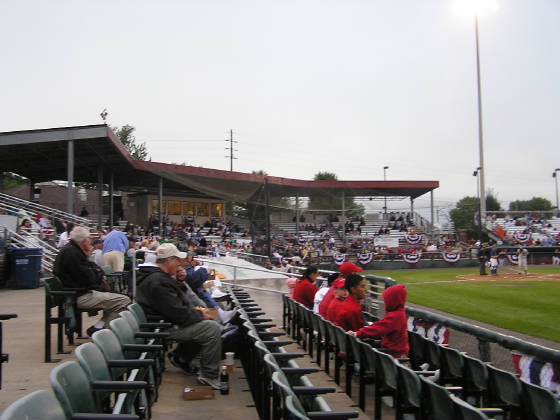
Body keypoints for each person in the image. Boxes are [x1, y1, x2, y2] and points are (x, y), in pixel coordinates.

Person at [136, 243, 223, 390]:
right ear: (169, 260)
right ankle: (209, 375)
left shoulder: (158, 277)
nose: (180, 264)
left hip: (163, 322)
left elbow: (176, 305)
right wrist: (199, 314)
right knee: (212, 329)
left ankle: (183, 357)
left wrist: (180, 283)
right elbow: (178, 314)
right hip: (162, 327)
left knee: (205, 322)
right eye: (177, 260)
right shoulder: (158, 281)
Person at [53, 226, 131, 337]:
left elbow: (93, 271)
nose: (91, 242)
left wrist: (96, 272)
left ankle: (99, 327)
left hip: (76, 293)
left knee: (117, 298)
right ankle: (102, 332)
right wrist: (97, 274)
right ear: (84, 241)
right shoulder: (72, 253)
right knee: (124, 300)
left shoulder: (72, 250)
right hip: (77, 296)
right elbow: (89, 277)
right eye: (89, 239)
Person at [348, 284, 409, 358]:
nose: (385, 302)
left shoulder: (395, 316)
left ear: (393, 300)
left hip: (395, 354)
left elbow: (378, 329)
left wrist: (357, 333)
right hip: (391, 350)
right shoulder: (397, 313)